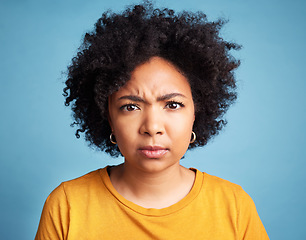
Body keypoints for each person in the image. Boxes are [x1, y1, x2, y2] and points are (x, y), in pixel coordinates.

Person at [35, 1, 269, 239]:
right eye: (131, 106)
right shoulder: (67, 205)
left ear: (196, 114)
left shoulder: (234, 205)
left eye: (173, 105)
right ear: (109, 118)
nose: (152, 127)